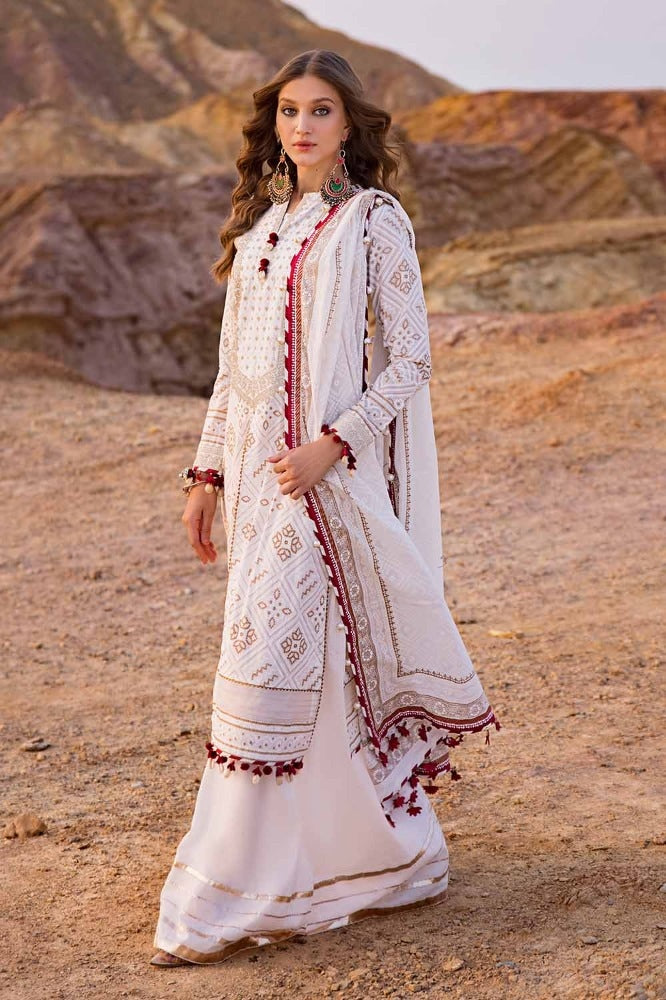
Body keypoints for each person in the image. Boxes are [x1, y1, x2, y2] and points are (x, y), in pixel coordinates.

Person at [151, 48, 498, 968]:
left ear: (349, 126)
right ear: (273, 124)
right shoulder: (263, 226)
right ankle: (361, 857)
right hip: (255, 498)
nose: (301, 125)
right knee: (305, 670)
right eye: (289, 111)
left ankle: (235, 891)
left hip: (324, 488)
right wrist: (205, 476)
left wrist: (332, 445)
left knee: (273, 663)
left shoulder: (373, 221)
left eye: (321, 111)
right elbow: (233, 372)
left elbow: (411, 361)